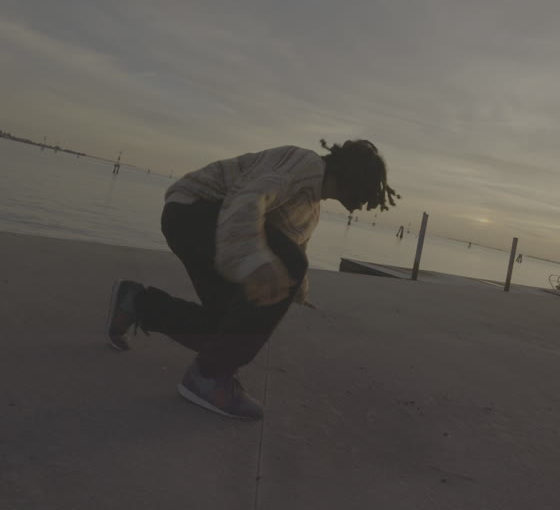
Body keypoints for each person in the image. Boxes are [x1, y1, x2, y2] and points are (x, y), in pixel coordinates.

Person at [104, 139, 398, 420]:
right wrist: (256, 260)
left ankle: (137, 303)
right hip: (193, 209)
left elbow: (292, 245)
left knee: (228, 326)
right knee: (285, 268)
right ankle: (209, 376)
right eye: (369, 193)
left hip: (202, 223)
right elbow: (248, 197)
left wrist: (298, 292)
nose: (366, 205)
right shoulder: (305, 164)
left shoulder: (312, 208)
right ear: (354, 177)